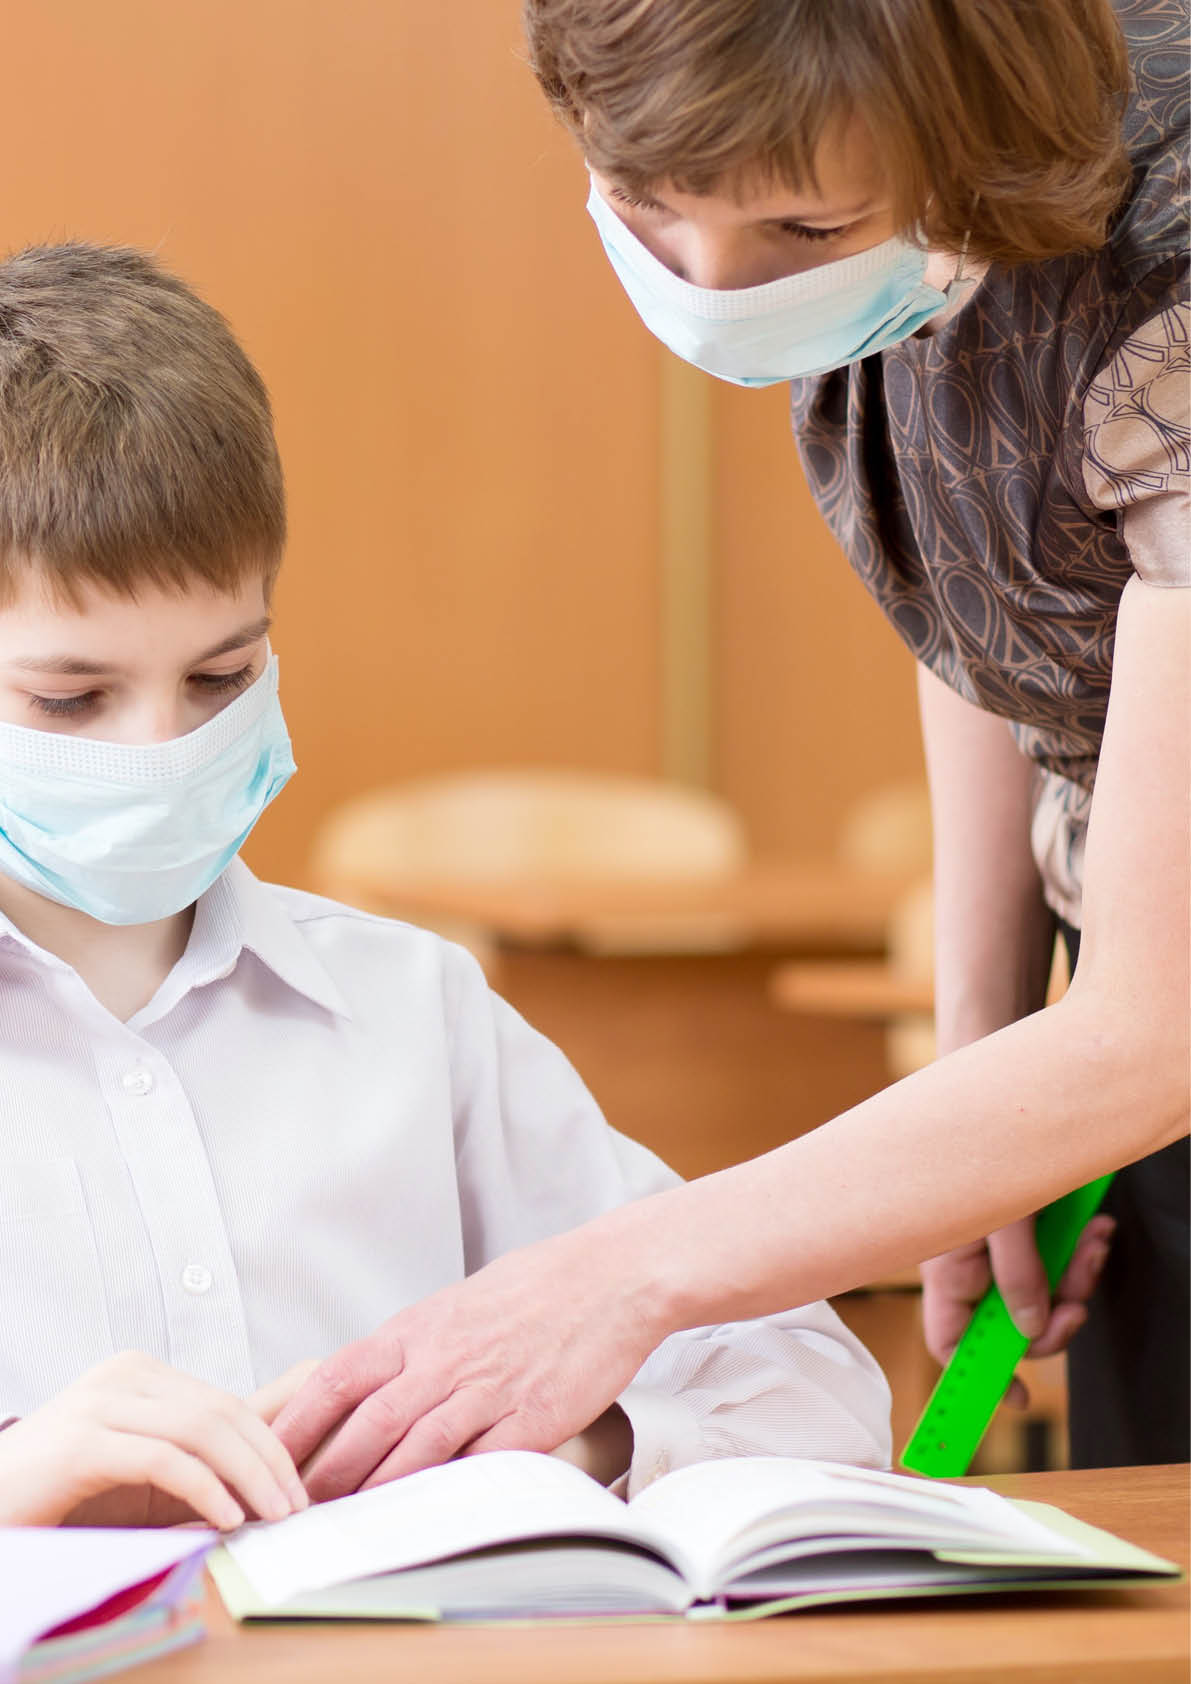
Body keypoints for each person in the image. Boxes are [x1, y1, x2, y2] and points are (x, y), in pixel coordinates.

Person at [274, 0, 1188, 1494]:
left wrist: (617, 1278)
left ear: (964, 150)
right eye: (645, 207)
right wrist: (976, 1064)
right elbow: (982, 588)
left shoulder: (1168, 256)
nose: (712, 283)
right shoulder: (891, 250)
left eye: (798, 226)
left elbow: (1154, 1028)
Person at [0, 241, 892, 1526]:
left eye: (221, 677)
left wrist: (558, 1447)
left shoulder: (412, 1012)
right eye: (70, 696)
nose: (164, 748)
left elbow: (809, 1378)